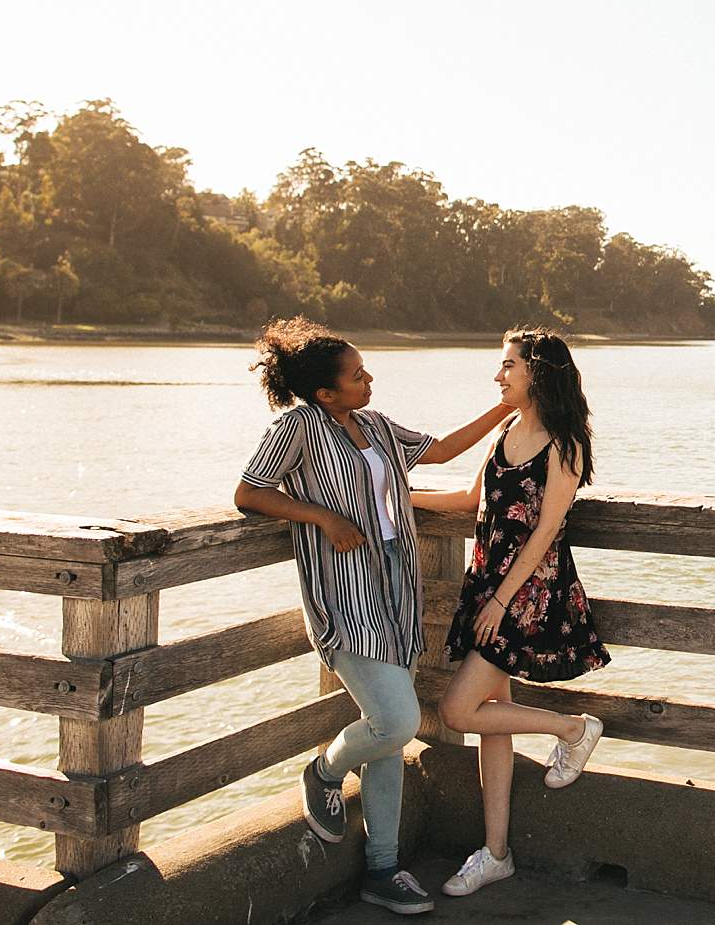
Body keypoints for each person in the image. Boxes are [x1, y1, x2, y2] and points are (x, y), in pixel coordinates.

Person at [235, 316, 510, 916]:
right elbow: (251, 492)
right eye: (357, 376)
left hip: (397, 596)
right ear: (324, 392)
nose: (369, 379)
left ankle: (383, 870)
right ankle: (326, 771)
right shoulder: (297, 426)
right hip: (343, 597)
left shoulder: (376, 426)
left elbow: (436, 452)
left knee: (388, 738)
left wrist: (505, 411)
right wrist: (322, 516)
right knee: (397, 722)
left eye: (365, 370)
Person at [433, 328, 611, 899]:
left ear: (538, 372)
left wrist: (502, 601)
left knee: (458, 710)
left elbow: (546, 533)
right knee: (492, 718)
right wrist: (390, 496)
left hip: (526, 596)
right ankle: (497, 853)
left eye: (508, 365)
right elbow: (469, 501)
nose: (498, 375)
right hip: (489, 586)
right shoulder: (506, 431)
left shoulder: (563, 444)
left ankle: (573, 729)